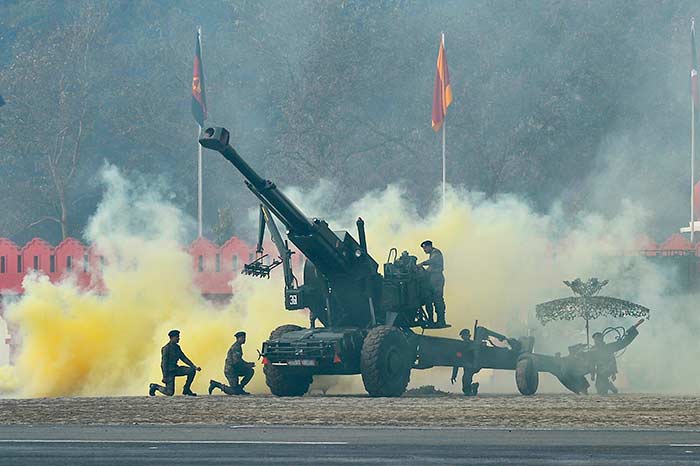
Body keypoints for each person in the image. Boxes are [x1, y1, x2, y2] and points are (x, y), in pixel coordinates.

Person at [590, 319, 644, 395]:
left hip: (607, 370)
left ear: (601, 339)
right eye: (595, 340)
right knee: (599, 388)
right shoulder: (593, 350)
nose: (596, 341)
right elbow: (591, 363)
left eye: (597, 339)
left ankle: (608, 385)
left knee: (602, 387)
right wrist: (592, 374)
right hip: (599, 371)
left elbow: (623, 343)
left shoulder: (608, 347)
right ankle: (609, 385)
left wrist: (636, 325)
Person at [149, 329, 201, 397]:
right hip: (169, 372)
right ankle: (155, 386)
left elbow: (183, 358)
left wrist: (194, 367)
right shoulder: (166, 348)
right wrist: (164, 376)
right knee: (170, 393)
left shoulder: (177, 347)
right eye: (177, 337)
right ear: (171, 338)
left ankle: (186, 389)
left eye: (178, 337)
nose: (178, 338)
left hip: (176, 369)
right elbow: (163, 364)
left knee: (191, 371)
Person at [208, 331, 255, 396]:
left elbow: (239, 360)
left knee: (250, 371)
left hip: (235, 369)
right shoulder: (236, 347)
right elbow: (236, 362)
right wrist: (247, 365)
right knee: (234, 392)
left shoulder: (238, 346)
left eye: (245, 338)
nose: (244, 339)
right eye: (243, 338)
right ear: (238, 338)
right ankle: (216, 384)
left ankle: (240, 388)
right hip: (231, 371)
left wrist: (248, 364)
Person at [420, 240, 446, 327]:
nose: (424, 250)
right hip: (431, 279)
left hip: (436, 278)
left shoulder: (436, 252)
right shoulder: (432, 254)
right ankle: (430, 321)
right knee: (428, 300)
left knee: (437, 300)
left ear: (429, 246)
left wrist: (422, 264)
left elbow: (433, 261)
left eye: (425, 248)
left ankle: (441, 321)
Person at [451, 328, 479, 396]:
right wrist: (454, 375)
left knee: (466, 385)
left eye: (464, 335)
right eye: (462, 336)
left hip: (471, 366)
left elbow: (476, 355)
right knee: (466, 384)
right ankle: (473, 388)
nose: (463, 337)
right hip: (468, 366)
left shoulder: (472, 344)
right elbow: (458, 358)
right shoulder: (462, 345)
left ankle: (472, 388)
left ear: (468, 336)